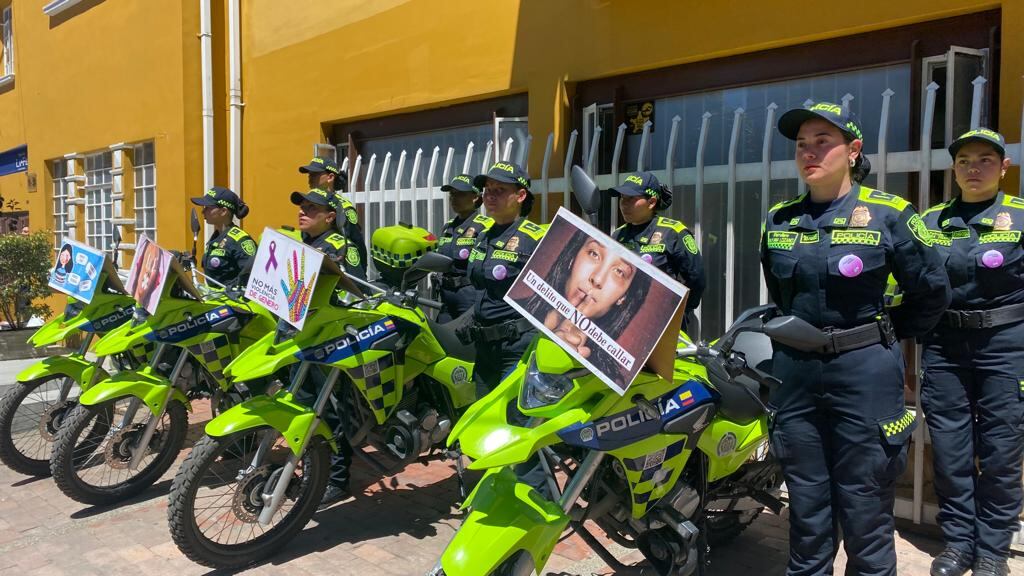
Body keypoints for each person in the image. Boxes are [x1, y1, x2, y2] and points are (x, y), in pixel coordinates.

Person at [761, 101, 950, 575]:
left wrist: (883, 334)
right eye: (802, 144)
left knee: (865, 509)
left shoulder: (891, 215)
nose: (810, 152)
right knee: (806, 507)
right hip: (796, 375)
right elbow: (780, 295)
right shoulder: (779, 220)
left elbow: (931, 291)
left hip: (864, 371)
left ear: (853, 150)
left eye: (823, 142)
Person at [919, 128, 1021, 576]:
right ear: (954, 169)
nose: (973, 168)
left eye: (984, 159)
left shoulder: (1020, 217)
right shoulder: (930, 222)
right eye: (964, 160)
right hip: (945, 346)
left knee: (1001, 451)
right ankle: (959, 543)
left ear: (1003, 167)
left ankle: (993, 551)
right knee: (950, 450)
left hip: (1006, 346)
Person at [289, 187, 366, 509]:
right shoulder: (303, 244)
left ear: (330, 217)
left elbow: (356, 290)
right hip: (299, 337)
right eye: (302, 206)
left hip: (326, 342)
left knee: (329, 411)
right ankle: (312, 468)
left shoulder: (338, 247)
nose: (303, 211)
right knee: (302, 405)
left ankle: (335, 479)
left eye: (312, 208)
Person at [519, 231, 651, 389]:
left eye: (619, 272)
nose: (597, 279)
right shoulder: (517, 317)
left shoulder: (607, 376)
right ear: (572, 259)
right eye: (594, 254)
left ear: (623, 297)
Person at [462, 162, 545, 397]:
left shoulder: (535, 239)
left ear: (520, 195)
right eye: (487, 190)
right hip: (484, 348)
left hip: (517, 347)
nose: (490, 196)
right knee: (481, 419)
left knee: (511, 419)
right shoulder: (482, 237)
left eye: (499, 190)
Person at [610, 171, 705, 335]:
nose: (624, 204)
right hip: (623, 322)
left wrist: (678, 312)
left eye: (631, 199)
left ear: (651, 202)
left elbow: (696, 278)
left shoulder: (673, 232)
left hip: (662, 325)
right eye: (622, 198)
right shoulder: (617, 235)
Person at [435, 174, 493, 322]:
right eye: (452, 194)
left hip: (469, 295)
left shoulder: (486, 225)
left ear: (475, 197)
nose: (454, 198)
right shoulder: (447, 227)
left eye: (460, 194)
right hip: (445, 296)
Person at [299, 155, 367, 267]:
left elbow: (357, 243)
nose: (310, 178)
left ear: (330, 177)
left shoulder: (344, 208)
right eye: (309, 174)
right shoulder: (306, 201)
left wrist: (360, 273)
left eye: (315, 174)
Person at [189, 186, 256, 290]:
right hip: (216, 300)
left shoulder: (240, 240)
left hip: (236, 304)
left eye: (208, 207)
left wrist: (232, 288)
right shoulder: (216, 238)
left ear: (223, 211)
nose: (203, 212)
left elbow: (253, 277)